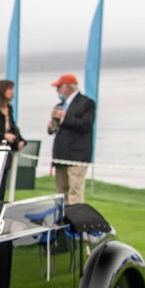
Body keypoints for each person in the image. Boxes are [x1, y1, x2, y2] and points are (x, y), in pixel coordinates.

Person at [48, 73, 96, 204]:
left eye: (59, 87)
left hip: (77, 155)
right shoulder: (60, 105)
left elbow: (86, 125)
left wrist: (64, 118)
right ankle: (63, 220)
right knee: (61, 192)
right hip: (61, 154)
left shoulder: (86, 103)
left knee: (75, 192)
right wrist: (52, 125)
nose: (57, 90)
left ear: (68, 86)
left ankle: (75, 220)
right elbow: (53, 130)